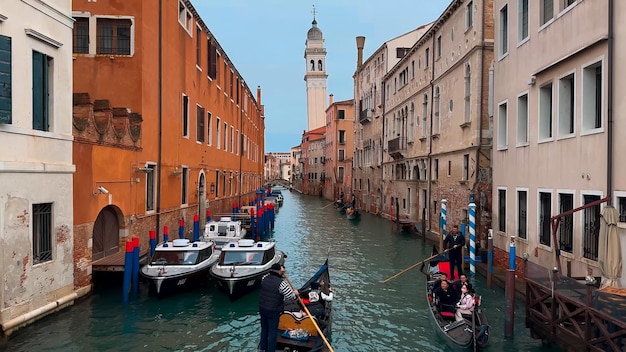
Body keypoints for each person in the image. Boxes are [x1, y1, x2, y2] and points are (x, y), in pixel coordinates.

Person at [259, 263, 298, 352]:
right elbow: (290, 296)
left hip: (262, 308)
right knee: (273, 331)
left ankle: (262, 349)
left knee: (264, 329)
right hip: (273, 310)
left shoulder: (264, 278)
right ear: (279, 271)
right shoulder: (281, 283)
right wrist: (295, 293)